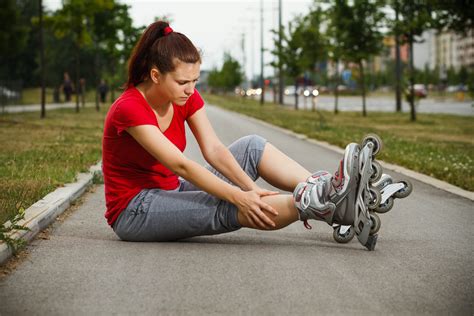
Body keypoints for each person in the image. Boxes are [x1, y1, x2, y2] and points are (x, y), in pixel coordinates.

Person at [102, 21, 359, 242]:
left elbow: (213, 149)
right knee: (227, 205)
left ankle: (328, 189)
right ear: (156, 75)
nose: (191, 90)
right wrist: (240, 196)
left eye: (195, 81)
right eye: (182, 82)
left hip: (172, 188)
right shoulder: (130, 108)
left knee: (252, 147)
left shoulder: (184, 96)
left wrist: (249, 188)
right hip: (134, 209)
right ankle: (327, 205)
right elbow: (181, 165)